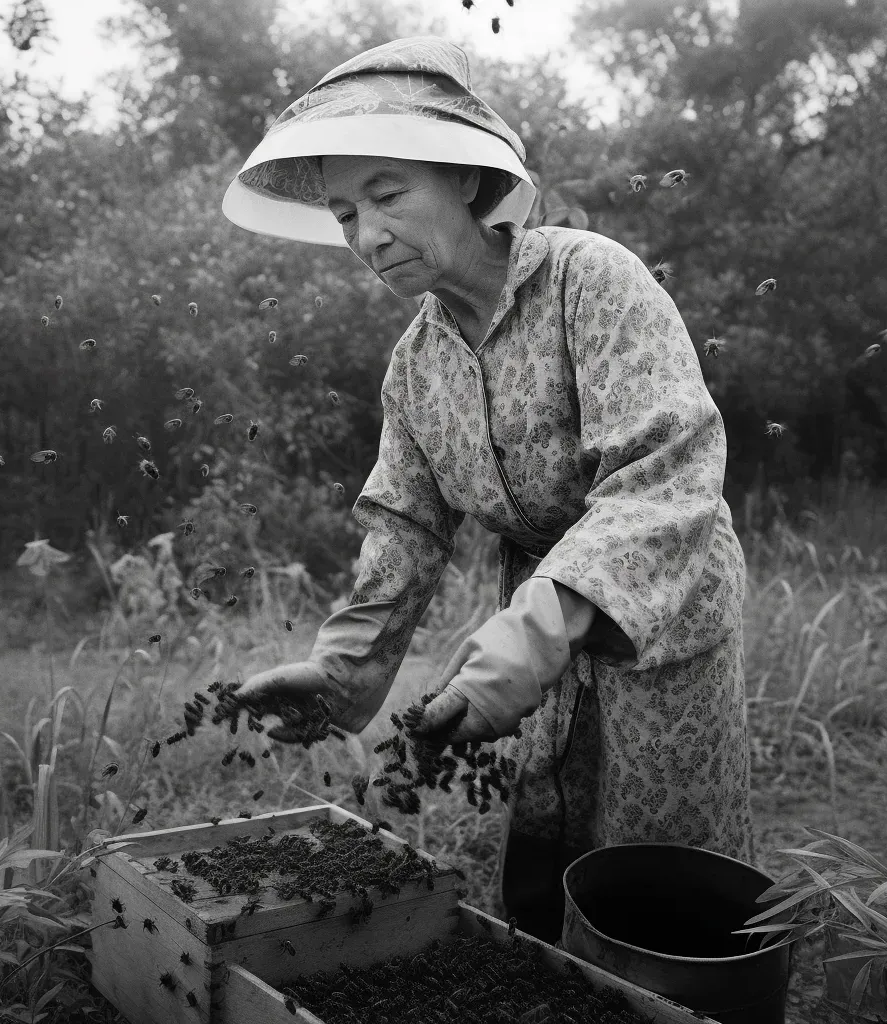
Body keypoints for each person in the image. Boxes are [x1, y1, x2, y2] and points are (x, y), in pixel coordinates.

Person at [222, 36, 754, 945]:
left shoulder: (589, 280)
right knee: (548, 862)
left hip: (659, 624)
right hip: (531, 635)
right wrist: (348, 665)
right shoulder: (417, 364)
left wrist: (540, 628)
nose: (367, 235)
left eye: (387, 195)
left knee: (660, 881)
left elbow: (665, 473)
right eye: (347, 213)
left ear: (466, 180)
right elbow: (403, 522)